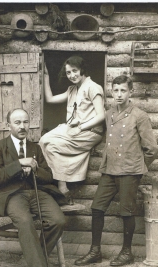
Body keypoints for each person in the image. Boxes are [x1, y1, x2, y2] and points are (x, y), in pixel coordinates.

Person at [74, 75, 158, 267]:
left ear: (131, 92)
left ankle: (127, 252)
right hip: (110, 171)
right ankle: (95, 251)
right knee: (97, 208)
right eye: (116, 90)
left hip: (129, 172)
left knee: (126, 212)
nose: (119, 94)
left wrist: (137, 166)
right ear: (111, 92)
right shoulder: (109, 113)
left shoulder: (140, 116)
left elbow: (152, 149)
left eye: (123, 90)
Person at [0, 108, 66, 267]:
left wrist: (34, 169)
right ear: (9, 125)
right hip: (12, 194)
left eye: (25, 122)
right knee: (25, 222)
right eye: (17, 122)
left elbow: (48, 176)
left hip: (37, 192)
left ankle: (34, 256)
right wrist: (19, 163)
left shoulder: (35, 148)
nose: (22, 127)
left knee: (59, 220)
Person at [39, 56, 105, 204]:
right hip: (74, 130)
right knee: (43, 141)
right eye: (68, 73)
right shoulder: (72, 90)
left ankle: (62, 186)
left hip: (90, 132)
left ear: (82, 69)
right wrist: (45, 75)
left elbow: (101, 115)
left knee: (53, 145)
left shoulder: (93, 87)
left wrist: (81, 125)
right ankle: (59, 182)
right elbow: (49, 99)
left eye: (74, 71)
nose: (72, 75)